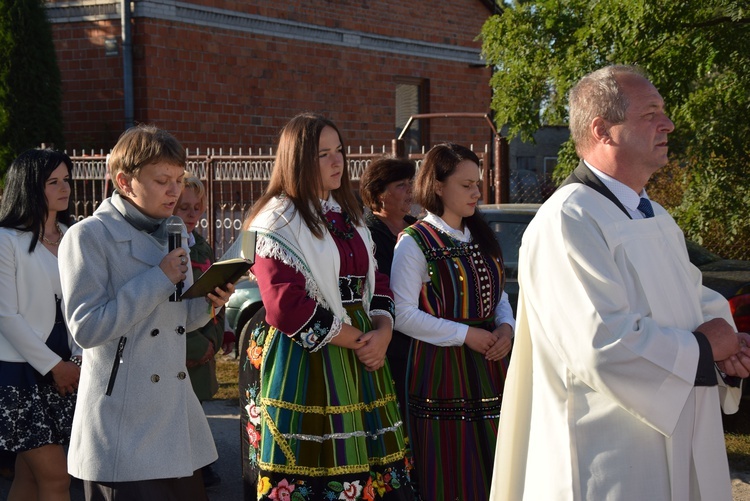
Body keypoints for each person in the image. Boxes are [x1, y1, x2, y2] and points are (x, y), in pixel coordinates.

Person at [490, 64, 750, 500]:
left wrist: (729, 349)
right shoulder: (568, 221)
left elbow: (692, 299)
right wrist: (705, 349)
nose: (668, 124)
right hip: (610, 455)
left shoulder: (655, 216)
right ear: (603, 130)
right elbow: (601, 343)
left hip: (681, 432)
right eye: (651, 114)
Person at [239, 113, 415, 500]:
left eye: (339, 151)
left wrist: (383, 331)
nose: (337, 162)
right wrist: (359, 340)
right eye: (323, 154)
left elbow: (376, 280)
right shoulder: (276, 221)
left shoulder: (345, 214)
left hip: (363, 348)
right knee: (318, 467)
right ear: (298, 160)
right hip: (309, 357)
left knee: (369, 470)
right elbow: (285, 306)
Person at [59, 125, 234, 501]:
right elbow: (86, 329)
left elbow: (176, 321)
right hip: (124, 421)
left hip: (174, 417)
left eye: (178, 179)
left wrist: (209, 302)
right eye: (162, 181)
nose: (174, 191)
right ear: (124, 181)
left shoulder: (172, 230)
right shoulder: (88, 236)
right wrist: (158, 278)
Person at [390, 143, 515, 501]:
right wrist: (465, 335)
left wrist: (506, 328)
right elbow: (402, 313)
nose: (476, 192)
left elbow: (499, 296)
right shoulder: (415, 242)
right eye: (466, 185)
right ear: (438, 186)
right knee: (452, 466)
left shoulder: (481, 236)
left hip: (493, 362)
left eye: (477, 183)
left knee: (499, 461)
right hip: (442, 370)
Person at [0, 148, 81, 501]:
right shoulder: (6, 240)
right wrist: (54, 367)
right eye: (53, 182)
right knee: (56, 478)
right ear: (30, 186)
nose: (64, 188)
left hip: (69, 367)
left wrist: (75, 361)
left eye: (66, 179)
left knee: (30, 479)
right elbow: (5, 315)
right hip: (20, 373)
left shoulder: (74, 235)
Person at [173, 174, 224, 488]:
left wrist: (215, 338)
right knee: (182, 408)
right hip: (186, 342)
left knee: (199, 405)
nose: (192, 214)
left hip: (206, 336)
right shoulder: (173, 247)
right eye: (184, 208)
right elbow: (174, 305)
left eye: (197, 208)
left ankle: (201, 463)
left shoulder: (200, 245)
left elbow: (212, 294)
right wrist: (193, 343)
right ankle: (190, 467)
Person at [359, 157, 417, 421]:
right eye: (402, 185)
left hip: (423, 332)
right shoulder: (368, 234)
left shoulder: (417, 228)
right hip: (390, 336)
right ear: (380, 194)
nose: (411, 191)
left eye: (411, 183)